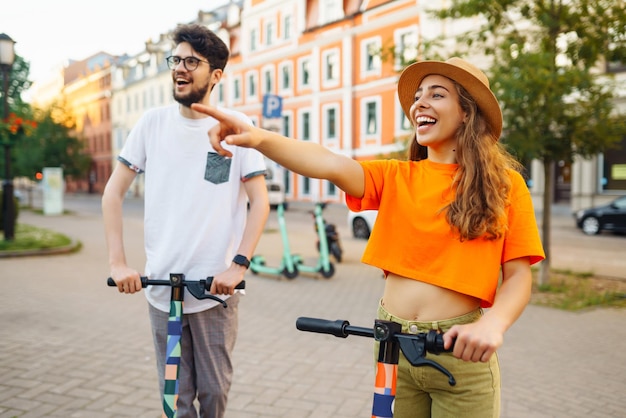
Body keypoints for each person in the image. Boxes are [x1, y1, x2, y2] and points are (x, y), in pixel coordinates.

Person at [191, 57, 545, 417]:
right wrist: (259, 137)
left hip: (460, 352)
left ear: (467, 112)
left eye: (437, 95)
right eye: (418, 96)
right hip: (392, 345)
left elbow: (518, 275)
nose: (419, 103)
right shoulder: (396, 177)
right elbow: (328, 162)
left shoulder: (505, 186)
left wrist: (493, 324)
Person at [102, 23, 270, 418]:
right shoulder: (151, 124)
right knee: (175, 399)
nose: (180, 68)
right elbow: (113, 193)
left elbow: (259, 202)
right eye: (175, 60)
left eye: (191, 61)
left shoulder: (235, 126)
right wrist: (118, 262)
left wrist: (238, 266)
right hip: (162, 290)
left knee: (214, 394)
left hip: (214, 291)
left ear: (215, 75)